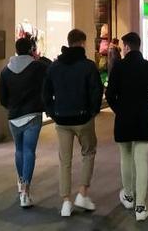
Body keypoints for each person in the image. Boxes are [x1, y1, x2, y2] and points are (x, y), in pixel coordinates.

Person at [106, 32, 148, 222]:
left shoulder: (119, 67)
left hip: (124, 119)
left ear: (126, 47)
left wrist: (120, 110)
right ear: (139, 46)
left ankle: (128, 195)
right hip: (143, 119)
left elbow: (110, 94)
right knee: (141, 161)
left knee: (125, 157)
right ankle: (141, 207)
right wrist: (147, 107)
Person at [43, 29, 104, 218]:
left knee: (65, 160)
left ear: (68, 42)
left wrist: (54, 113)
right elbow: (96, 91)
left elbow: (46, 93)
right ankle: (83, 193)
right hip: (83, 118)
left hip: (62, 120)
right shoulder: (88, 66)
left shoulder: (54, 66)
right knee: (88, 152)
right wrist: (92, 112)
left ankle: (65, 202)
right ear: (82, 43)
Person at [0, 37, 48, 209]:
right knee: (29, 151)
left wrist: (12, 107)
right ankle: (26, 191)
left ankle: (21, 183)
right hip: (33, 114)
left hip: (14, 116)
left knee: (19, 150)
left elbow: (2, 99)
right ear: (31, 50)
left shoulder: (5, 71)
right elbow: (47, 84)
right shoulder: (39, 67)